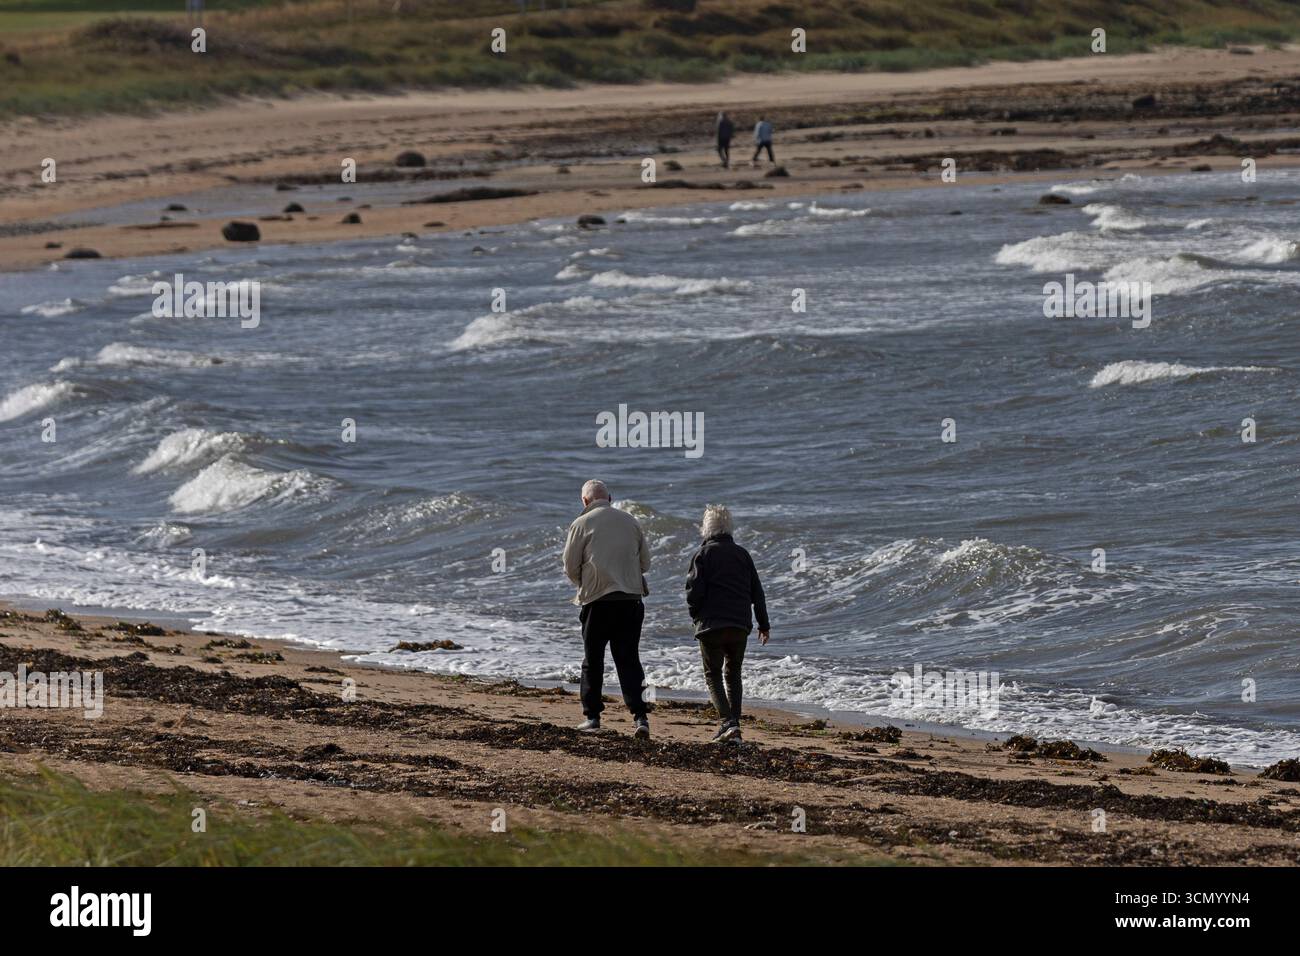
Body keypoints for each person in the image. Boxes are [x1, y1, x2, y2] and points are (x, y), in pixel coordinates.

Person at [562, 479, 652, 738]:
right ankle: (640, 717)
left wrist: (587, 583)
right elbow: (645, 563)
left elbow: (569, 566)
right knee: (629, 660)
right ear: (610, 498)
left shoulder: (580, 524)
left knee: (593, 661)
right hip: (630, 601)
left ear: (585, 501)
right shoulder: (631, 521)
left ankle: (592, 717)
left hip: (597, 602)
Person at [685, 505, 770, 743]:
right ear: (729, 528)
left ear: (706, 529)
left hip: (711, 626)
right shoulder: (742, 555)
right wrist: (764, 624)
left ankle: (728, 723)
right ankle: (735, 728)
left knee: (712, 674)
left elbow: (693, 593)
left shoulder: (702, 555)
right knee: (733, 674)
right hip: (739, 626)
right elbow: (757, 593)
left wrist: (696, 616)